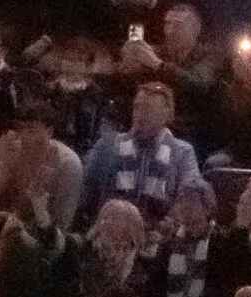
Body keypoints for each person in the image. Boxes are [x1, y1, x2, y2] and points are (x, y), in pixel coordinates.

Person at [81, 83, 200, 224]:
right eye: (137, 107)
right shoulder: (108, 146)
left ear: (166, 115)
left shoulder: (182, 153)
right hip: (111, 227)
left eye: (148, 109)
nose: (140, 114)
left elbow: (189, 199)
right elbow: (87, 195)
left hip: (159, 231)